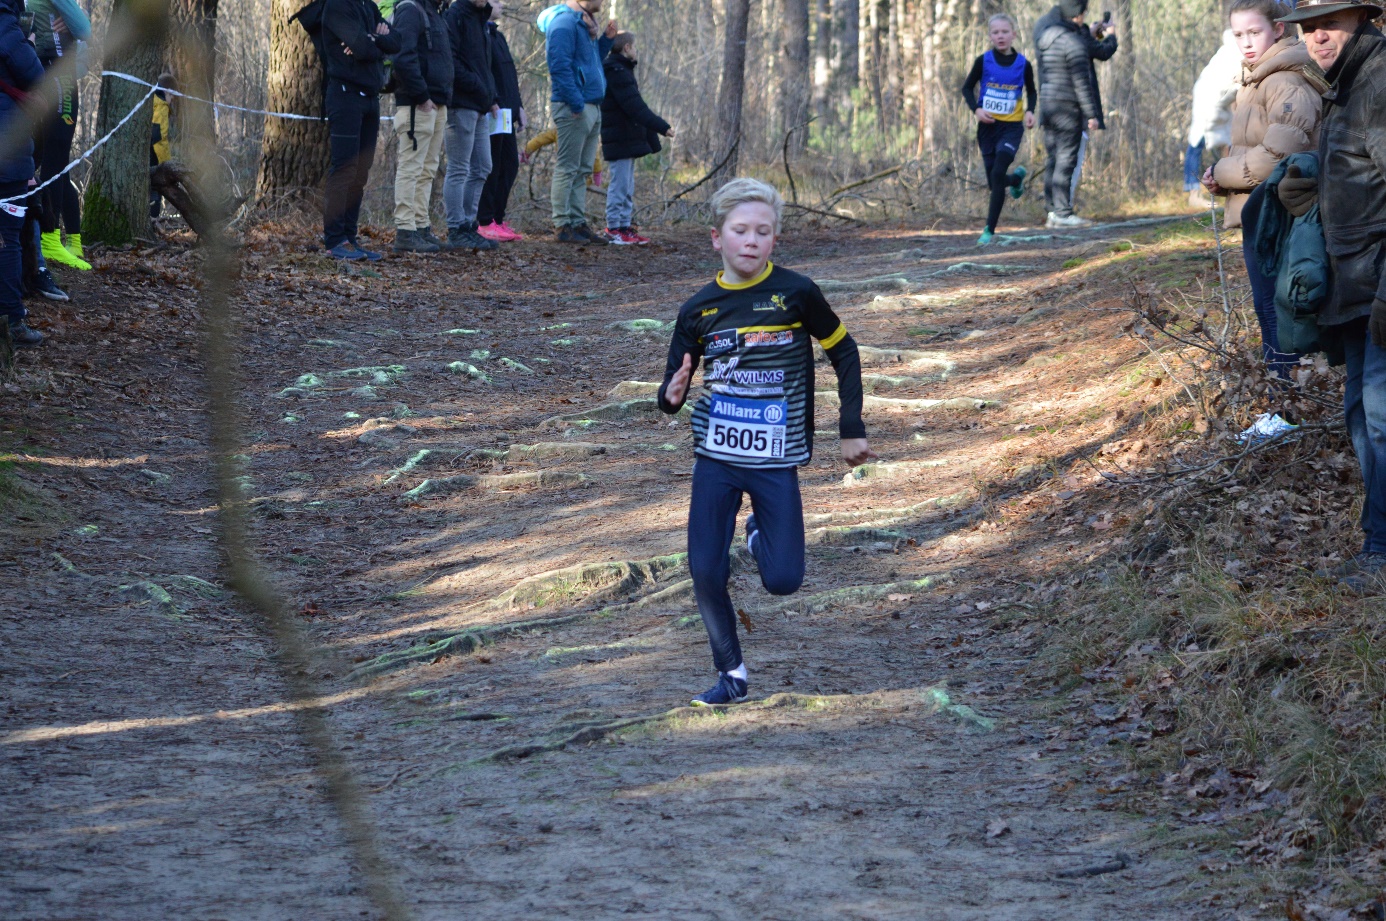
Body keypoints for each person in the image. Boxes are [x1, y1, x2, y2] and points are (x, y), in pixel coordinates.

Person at [656, 178, 876, 706]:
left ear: (775, 239)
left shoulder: (797, 293)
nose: (751, 240)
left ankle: (757, 532)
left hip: (775, 458)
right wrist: (672, 393)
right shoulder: (698, 309)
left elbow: (844, 353)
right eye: (740, 230)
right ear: (717, 238)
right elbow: (668, 395)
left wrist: (851, 428)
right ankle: (731, 674)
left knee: (782, 579)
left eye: (763, 231)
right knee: (705, 568)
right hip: (716, 456)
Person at [1275, 0, 1386, 589]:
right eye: (1307, 25)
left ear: (1363, 19)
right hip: (1354, 287)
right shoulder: (1345, 84)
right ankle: (1377, 545)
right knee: (1363, 419)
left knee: (1381, 418)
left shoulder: (1379, 81)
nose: (1316, 35)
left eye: (1330, 22)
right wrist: (1310, 184)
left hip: (1379, 290)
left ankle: (1382, 553)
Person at [1203, 0, 1323, 381]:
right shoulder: (1256, 79)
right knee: (1268, 306)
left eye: (1255, 32)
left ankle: (1287, 405)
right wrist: (1221, 181)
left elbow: (1277, 155)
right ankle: (1282, 402)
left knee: (1278, 308)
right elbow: (1253, 151)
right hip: (1260, 208)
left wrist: (1221, 171)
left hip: (1281, 212)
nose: (1247, 42)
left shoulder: (1285, 79)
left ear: (1279, 29)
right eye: (1239, 34)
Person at [320, 0, 399, 260]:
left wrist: (368, 39)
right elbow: (364, 48)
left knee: (361, 171)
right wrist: (375, 41)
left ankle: (350, 238)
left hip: (370, 97)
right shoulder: (336, 6)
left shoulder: (369, 5)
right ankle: (334, 240)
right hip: (344, 96)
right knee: (344, 168)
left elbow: (396, 41)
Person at [1033, 0, 1117, 228]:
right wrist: (1092, 115)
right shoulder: (1075, 43)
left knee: (1053, 159)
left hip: (1049, 106)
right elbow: (1082, 84)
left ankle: (1052, 211)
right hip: (1069, 108)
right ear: (1078, 16)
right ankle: (1062, 213)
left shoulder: (1046, 37)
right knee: (1066, 160)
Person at [960, 13, 1037, 246]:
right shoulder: (983, 61)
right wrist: (976, 110)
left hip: (1011, 128)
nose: (1000, 36)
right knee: (995, 182)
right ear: (990, 36)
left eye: (1005, 32)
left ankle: (989, 231)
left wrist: (1030, 111)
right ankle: (1014, 180)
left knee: (996, 173)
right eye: (996, 32)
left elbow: (1032, 91)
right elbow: (966, 88)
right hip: (987, 128)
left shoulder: (1024, 64)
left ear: (1013, 34)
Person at [26, 0, 91, 272]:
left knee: (56, 159)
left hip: (51, 72)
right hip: (56, 74)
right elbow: (85, 29)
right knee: (55, 154)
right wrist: (77, 21)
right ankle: (50, 239)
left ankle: (72, 240)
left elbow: (84, 47)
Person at [544, 0, 616, 244]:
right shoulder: (564, 23)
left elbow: (590, 61)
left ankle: (577, 223)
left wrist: (604, 40)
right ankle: (562, 225)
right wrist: (575, 103)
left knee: (583, 168)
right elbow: (559, 66)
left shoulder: (583, 25)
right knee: (567, 167)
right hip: (575, 106)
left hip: (592, 105)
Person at [389, 0, 452, 254]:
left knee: (427, 169)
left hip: (437, 104)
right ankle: (405, 230)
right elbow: (403, 58)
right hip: (418, 105)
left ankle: (421, 227)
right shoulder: (410, 10)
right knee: (411, 168)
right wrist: (422, 95)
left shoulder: (434, 14)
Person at [0, 0, 46, 347]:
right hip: (8, 154)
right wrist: (29, 44)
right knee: (8, 237)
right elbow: (37, 79)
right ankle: (13, 321)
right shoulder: (7, 28)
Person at [600, 31, 672, 245]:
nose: (636, 50)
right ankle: (613, 228)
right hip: (619, 136)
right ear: (627, 48)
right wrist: (662, 127)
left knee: (627, 184)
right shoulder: (616, 71)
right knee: (620, 184)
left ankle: (624, 226)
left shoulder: (622, 70)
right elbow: (634, 106)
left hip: (626, 137)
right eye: (635, 47)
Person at [443, 0, 499, 251]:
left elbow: (484, 65)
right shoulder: (455, 15)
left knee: (483, 166)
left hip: (481, 106)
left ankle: (469, 225)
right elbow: (451, 61)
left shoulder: (481, 20)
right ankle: (456, 228)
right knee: (458, 168)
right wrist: (478, 86)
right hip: (461, 103)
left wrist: (491, 96)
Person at [475, 1, 524, 242]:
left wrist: (520, 107)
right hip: (492, 111)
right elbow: (484, 72)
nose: (502, 4)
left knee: (509, 166)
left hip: (507, 114)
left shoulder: (499, 36)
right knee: (491, 166)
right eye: (496, 1)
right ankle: (484, 220)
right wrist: (491, 100)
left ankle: (498, 219)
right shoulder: (479, 33)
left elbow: (509, 75)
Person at [1185, 29, 1242, 209]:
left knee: (1230, 145)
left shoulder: (1228, 51)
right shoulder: (1231, 54)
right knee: (1197, 145)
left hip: (1217, 105)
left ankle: (1230, 188)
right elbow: (1230, 86)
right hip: (1209, 104)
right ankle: (1193, 194)